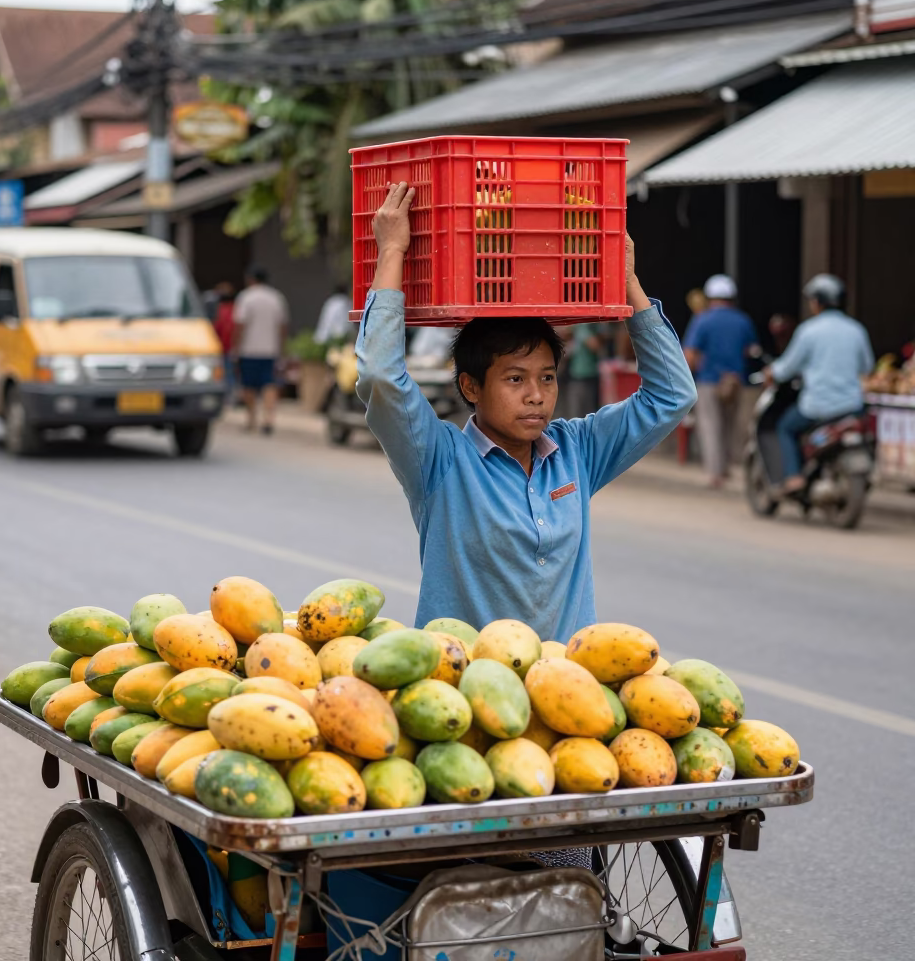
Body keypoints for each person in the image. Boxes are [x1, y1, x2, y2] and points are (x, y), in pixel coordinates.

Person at [355, 181, 696, 639]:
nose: (536, 394)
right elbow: (380, 376)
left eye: (547, 377)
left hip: (565, 687)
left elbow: (672, 395)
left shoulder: (578, 452)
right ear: (470, 386)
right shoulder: (439, 459)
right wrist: (393, 250)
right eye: (515, 379)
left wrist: (628, 282)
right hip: (462, 692)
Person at [765, 274, 875, 495]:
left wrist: (770, 372)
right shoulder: (856, 330)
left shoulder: (809, 331)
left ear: (817, 302)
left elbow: (787, 367)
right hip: (851, 406)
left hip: (817, 406)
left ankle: (794, 477)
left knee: (785, 428)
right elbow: (868, 367)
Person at [682, 275, 761, 488]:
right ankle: (725, 467)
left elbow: (690, 353)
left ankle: (715, 473)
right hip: (735, 381)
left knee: (710, 426)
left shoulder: (703, 319)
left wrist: (683, 378)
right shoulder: (743, 320)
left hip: (708, 380)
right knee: (729, 424)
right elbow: (751, 350)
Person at [231, 266, 289, 435]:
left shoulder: (246, 297)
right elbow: (283, 326)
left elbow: (240, 324)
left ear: (250, 279)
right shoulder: (276, 298)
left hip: (249, 349)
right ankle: (268, 419)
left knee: (248, 385)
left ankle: (251, 419)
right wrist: (281, 347)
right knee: (269, 384)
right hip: (270, 349)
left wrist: (235, 346)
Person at [565, 323, 605, 417]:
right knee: (575, 412)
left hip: (588, 376)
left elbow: (595, 346)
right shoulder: (577, 331)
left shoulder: (586, 329)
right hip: (576, 376)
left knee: (588, 412)